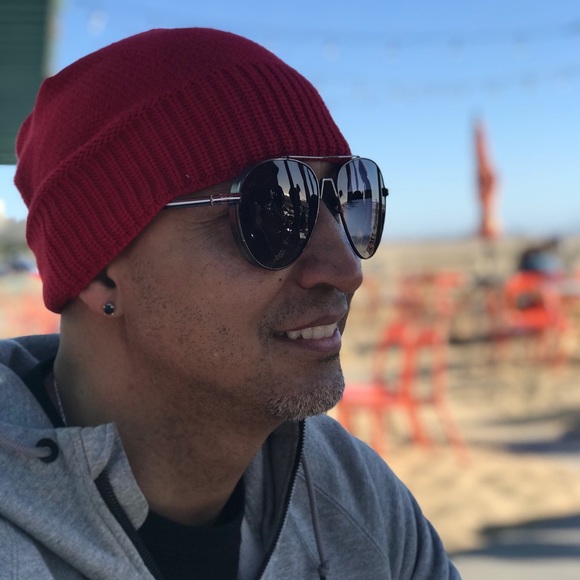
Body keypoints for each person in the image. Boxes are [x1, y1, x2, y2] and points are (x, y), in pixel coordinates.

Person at [0, 28, 460, 579]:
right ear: (100, 270)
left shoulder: (355, 497)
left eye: (348, 199)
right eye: (272, 210)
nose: (346, 270)